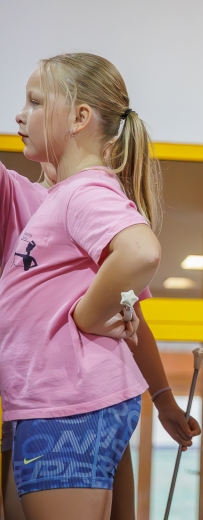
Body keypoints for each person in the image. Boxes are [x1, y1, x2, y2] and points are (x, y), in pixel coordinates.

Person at [0, 53, 165, 520]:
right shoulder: (64, 198)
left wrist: (87, 314)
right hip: (54, 403)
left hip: (67, 403)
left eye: (35, 102)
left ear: (79, 118)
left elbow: (141, 251)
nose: (20, 115)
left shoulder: (83, 191)